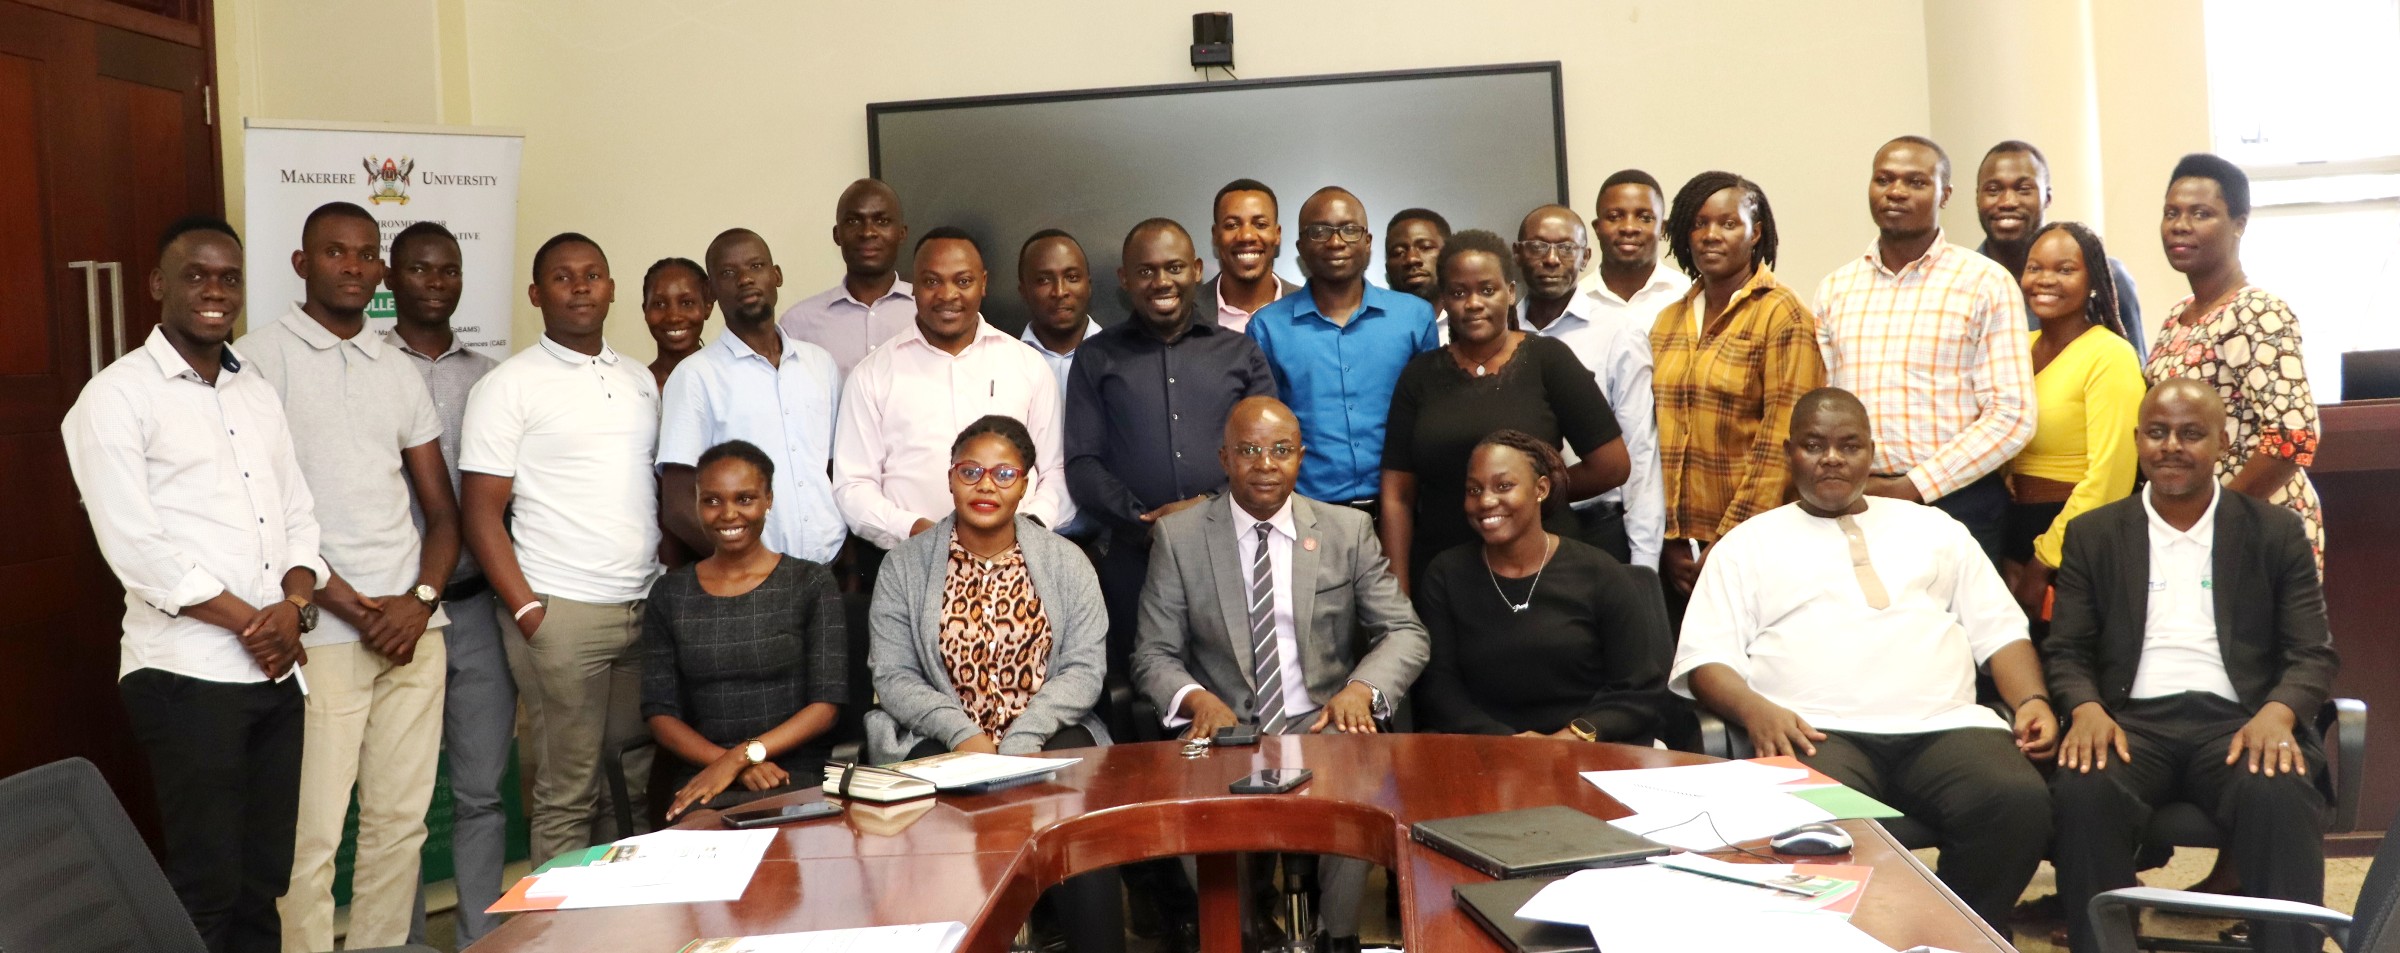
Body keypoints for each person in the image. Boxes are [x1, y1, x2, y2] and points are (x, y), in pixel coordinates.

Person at [1672, 387, 2056, 932]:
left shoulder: (1937, 530)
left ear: (1871, 454)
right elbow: (1707, 659)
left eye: (1849, 445)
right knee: (1818, 822)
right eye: (1814, 444)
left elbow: (2001, 633)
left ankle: (1957, 934)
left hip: (1945, 728)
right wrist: (1756, 711)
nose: (1832, 457)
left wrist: (2033, 700)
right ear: (1789, 455)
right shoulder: (1746, 545)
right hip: (1816, 733)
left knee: (2016, 801)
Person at [62, 216, 324, 953]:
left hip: (277, 673)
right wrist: (257, 622)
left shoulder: (255, 394)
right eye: (196, 275)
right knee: (205, 885)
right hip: (187, 676)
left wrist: (296, 607)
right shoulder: (114, 397)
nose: (215, 291)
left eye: (229, 277)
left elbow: (300, 517)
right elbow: (137, 550)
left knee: (262, 881)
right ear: (158, 286)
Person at [2046, 380, 2339, 953]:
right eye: (2157, 433)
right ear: (2138, 441)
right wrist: (2084, 708)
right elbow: (2067, 649)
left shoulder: (2274, 532)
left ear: (2222, 442)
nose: (2172, 446)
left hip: (2241, 720)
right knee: (2085, 787)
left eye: (2190, 433)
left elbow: (2312, 651)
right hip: (2130, 722)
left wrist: (2279, 714)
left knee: (2277, 789)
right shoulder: (2094, 534)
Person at [238, 201, 459, 952]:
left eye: (368, 255)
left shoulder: (395, 366)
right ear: (302, 264)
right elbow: (258, 507)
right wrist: (352, 605)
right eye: (337, 253)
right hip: (322, 633)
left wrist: (420, 602)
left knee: (401, 825)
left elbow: (442, 509)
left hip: (412, 633)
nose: (355, 268)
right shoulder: (259, 358)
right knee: (314, 832)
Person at [1132, 396, 1430, 953]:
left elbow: (1405, 633)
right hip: (1226, 731)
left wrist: (1361, 690)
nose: (1265, 464)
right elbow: (1152, 654)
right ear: (1224, 458)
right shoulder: (1182, 537)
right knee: (1188, 810)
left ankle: (1336, 939)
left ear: (1301, 458)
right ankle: (1237, 935)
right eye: (1248, 450)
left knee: (1359, 792)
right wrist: (1197, 699)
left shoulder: (1347, 530)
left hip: (1322, 722)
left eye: (1280, 450)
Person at [865, 416, 1122, 953]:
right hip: (941, 739)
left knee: (1085, 831)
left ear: (1026, 482)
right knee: (936, 838)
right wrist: (965, 737)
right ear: (951, 477)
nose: (986, 485)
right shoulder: (903, 566)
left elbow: (1084, 670)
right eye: (971, 471)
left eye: (1004, 473)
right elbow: (894, 676)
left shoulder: (1065, 561)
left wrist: (1022, 741)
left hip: (1047, 732)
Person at [460, 232, 663, 864]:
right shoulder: (510, 385)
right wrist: (527, 611)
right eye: (563, 277)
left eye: (593, 275)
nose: (580, 287)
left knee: (625, 785)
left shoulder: (637, 380)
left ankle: (622, 927)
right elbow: (481, 513)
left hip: (640, 607)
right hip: (561, 615)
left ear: (610, 289)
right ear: (536, 294)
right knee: (567, 791)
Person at [1064, 218, 1277, 679]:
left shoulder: (1240, 353)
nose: (1161, 281)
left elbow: (1268, 455)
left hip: (1232, 552)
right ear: (1124, 279)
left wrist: (1205, 508)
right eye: (1146, 271)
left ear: (1197, 270)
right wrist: (1146, 522)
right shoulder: (1096, 356)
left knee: (1235, 686)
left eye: (1174, 267)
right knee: (1141, 690)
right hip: (1132, 561)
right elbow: (1083, 462)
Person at [381, 221, 512, 947]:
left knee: (482, 793)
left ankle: (481, 938)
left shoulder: (491, 376)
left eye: (449, 269)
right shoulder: (364, 364)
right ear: (390, 279)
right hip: (389, 618)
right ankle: (397, 942)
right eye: (420, 269)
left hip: (473, 608)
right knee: (396, 803)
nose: (436, 282)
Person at [1815, 136, 2036, 566]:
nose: (1895, 192)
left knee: (1959, 633)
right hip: (1859, 502)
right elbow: (1824, 405)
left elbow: (2012, 415)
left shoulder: (1984, 283)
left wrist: (1915, 485)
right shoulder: (1835, 289)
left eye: (1915, 181)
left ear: (1945, 194)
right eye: (1884, 180)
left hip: (1959, 503)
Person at [1380, 229, 1628, 591]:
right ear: (1445, 300)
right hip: (1444, 572)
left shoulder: (1548, 360)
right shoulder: (1419, 375)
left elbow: (1613, 465)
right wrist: (1397, 596)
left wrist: (1529, 497)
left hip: (1542, 566)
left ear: (1510, 293)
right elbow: (1397, 496)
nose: (1474, 303)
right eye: (1459, 293)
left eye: (1487, 289)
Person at [1412, 431, 1681, 742]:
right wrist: (1508, 744)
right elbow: (1439, 689)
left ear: (1540, 488)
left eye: (1503, 486)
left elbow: (1639, 691)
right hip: (1488, 754)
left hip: (1590, 750)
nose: (1485, 500)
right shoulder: (1446, 575)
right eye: (1474, 489)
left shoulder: (1598, 572)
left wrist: (1570, 737)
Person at [1650, 172, 1825, 621]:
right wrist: (1669, 540)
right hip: (1676, 553)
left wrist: (1730, 538)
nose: (1711, 235)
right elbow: (1654, 440)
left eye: (1728, 223)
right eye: (1699, 223)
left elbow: (1781, 442)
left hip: (1755, 541)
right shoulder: (1668, 320)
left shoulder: (1781, 313)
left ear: (1756, 232)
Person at [641, 440, 847, 821]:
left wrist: (743, 755)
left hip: (792, 775)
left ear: (768, 499)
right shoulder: (671, 593)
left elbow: (825, 708)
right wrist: (728, 764)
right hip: (705, 777)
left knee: (787, 862)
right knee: (698, 860)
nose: (728, 513)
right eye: (712, 500)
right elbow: (660, 714)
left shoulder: (809, 583)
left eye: (745, 498)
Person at [833, 227, 1075, 550]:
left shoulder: (1027, 365)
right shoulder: (872, 375)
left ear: (984, 283)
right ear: (913, 286)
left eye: (963, 281)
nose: (948, 295)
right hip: (912, 560)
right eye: (932, 281)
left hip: (1018, 559)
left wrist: (1025, 528)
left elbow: (1056, 470)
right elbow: (853, 486)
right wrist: (916, 531)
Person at [2147, 152, 2324, 571]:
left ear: (2239, 224)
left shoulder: (2258, 311)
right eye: (2172, 212)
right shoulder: (2177, 317)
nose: (2180, 225)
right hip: (2193, 530)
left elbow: (2293, 436)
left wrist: (2215, 517)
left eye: (2201, 213)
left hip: (2259, 525)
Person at [1247, 187, 1441, 519]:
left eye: (1349, 230)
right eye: (1319, 231)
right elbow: (1265, 434)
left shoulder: (1414, 317)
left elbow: (1432, 420)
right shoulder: (1268, 327)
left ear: (1367, 241)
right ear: (1300, 247)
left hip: (1406, 513)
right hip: (1310, 517)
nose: (1336, 242)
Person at [658, 229, 845, 567]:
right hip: (748, 581)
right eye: (728, 273)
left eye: (756, 266)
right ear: (711, 292)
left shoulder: (820, 364)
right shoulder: (695, 376)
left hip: (828, 570)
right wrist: (743, 566)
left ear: (776, 276)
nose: (745, 279)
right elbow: (678, 504)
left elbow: (833, 470)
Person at [2004, 222, 2144, 621]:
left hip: (2077, 542)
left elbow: (2110, 478)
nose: (2046, 280)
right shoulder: (2016, 349)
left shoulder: (2109, 354)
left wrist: (2042, 562)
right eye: (2035, 268)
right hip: (2013, 535)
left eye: (2065, 270)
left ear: (2094, 281)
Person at [1516, 202, 1664, 568]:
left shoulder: (1617, 332)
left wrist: (1644, 560)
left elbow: (1640, 449)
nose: (1552, 259)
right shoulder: (1498, 331)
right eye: (1538, 246)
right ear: (1518, 255)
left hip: (1596, 527)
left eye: (1566, 248)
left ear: (1585, 257)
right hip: (1513, 529)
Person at [1974, 140, 2147, 357]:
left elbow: (2134, 369)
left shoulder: (2103, 277)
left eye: (2024, 189)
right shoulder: (1962, 283)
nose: (2008, 201)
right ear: (1977, 197)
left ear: (2047, 197)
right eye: (1993, 190)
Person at [779, 178, 915, 377]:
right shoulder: (798, 325)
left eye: (882, 221)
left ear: (902, 233)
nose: (868, 232)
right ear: (837, 235)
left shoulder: (928, 310)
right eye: (853, 221)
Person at [1573, 169, 1693, 316]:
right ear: (1597, 228)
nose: (1629, 228)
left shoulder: (1687, 295)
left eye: (1645, 218)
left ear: (1662, 229)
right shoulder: (1575, 302)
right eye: (1614, 217)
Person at [1203, 178, 1300, 333]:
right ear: (1215, 236)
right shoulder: (1186, 310)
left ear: (1277, 234)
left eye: (1260, 224)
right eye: (1232, 225)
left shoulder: (1310, 308)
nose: (1247, 236)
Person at [1017, 228, 1103, 399]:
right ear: (1023, 291)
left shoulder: (1122, 358)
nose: (1060, 291)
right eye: (1044, 280)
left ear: (1089, 285)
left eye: (1072, 277)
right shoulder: (1003, 364)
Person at [642, 256, 709, 390]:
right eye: (659, 304)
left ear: (708, 307)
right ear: (645, 310)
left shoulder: (727, 381)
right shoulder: (634, 388)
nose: (673, 317)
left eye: (687, 303)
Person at [1383, 207, 1449, 304]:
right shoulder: (1371, 318)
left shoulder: (1475, 315)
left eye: (1425, 247)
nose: (1411, 259)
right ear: (1387, 268)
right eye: (1398, 252)